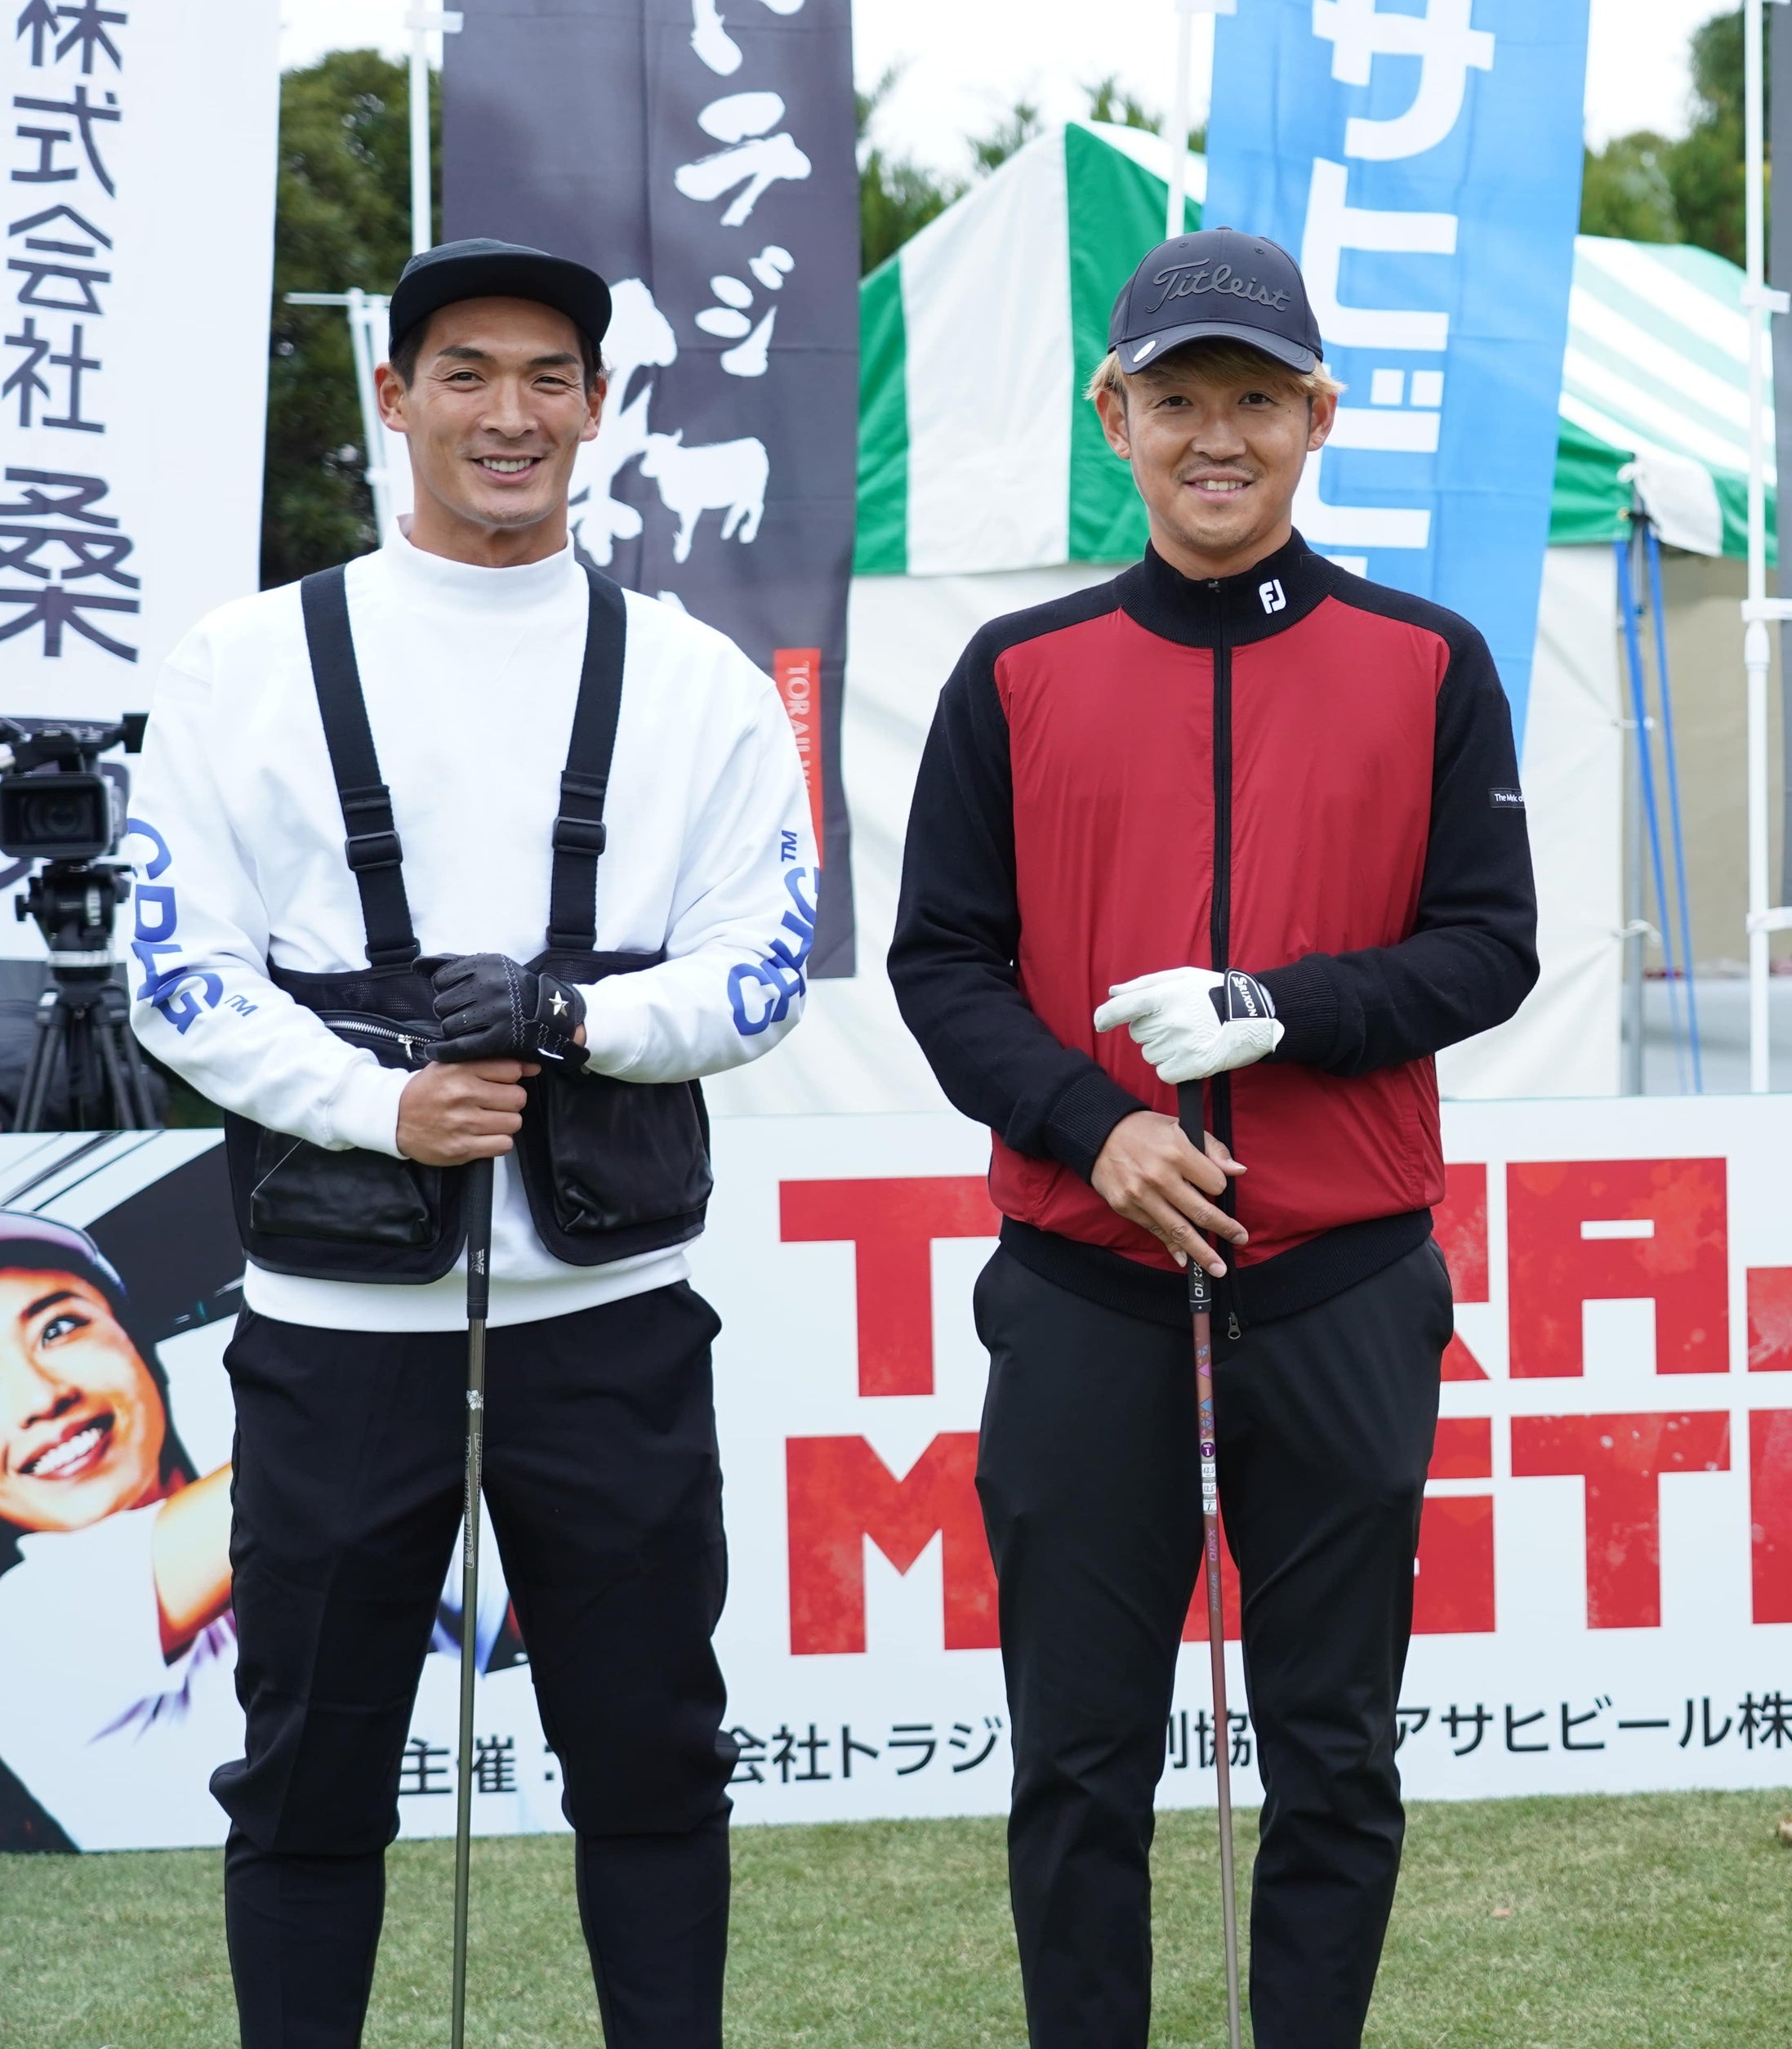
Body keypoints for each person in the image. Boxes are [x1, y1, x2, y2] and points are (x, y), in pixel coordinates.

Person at [127, 237, 818, 2048]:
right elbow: (177, 978)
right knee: (307, 1773)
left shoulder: (699, 682)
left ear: (598, 410)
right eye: (466, 373)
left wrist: (578, 1020)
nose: (509, 415)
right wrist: (385, 1106)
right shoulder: (241, 665)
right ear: (394, 396)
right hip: (336, 1334)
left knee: (655, 1755)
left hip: (613, 1323)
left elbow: (766, 965)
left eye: (548, 378)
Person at [890, 226, 1536, 2049]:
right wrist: (1095, 1124)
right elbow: (941, 962)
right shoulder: (1016, 669)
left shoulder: (1428, 661)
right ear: (1118, 415)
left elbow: (1490, 945)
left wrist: (1280, 1006)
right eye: (1180, 400)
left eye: (1257, 398)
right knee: (1078, 1758)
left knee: (1333, 1751)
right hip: (1085, 1283)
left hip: (1341, 1281)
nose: (1218, 436)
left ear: (1319, 414)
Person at [0, 1213, 235, 1853]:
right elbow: (304, 1472)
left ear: (135, 1340)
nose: (39, 1399)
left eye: (57, 1328)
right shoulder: (22, 1632)